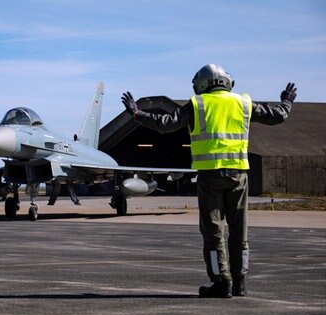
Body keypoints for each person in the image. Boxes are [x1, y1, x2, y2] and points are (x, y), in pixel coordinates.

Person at [121, 64, 297, 298]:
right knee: (239, 230)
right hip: (238, 175)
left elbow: (165, 124)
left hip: (210, 175)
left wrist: (136, 113)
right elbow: (278, 116)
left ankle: (221, 282)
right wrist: (287, 100)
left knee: (213, 231)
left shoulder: (198, 105)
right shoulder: (243, 103)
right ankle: (240, 283)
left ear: (202, 84)